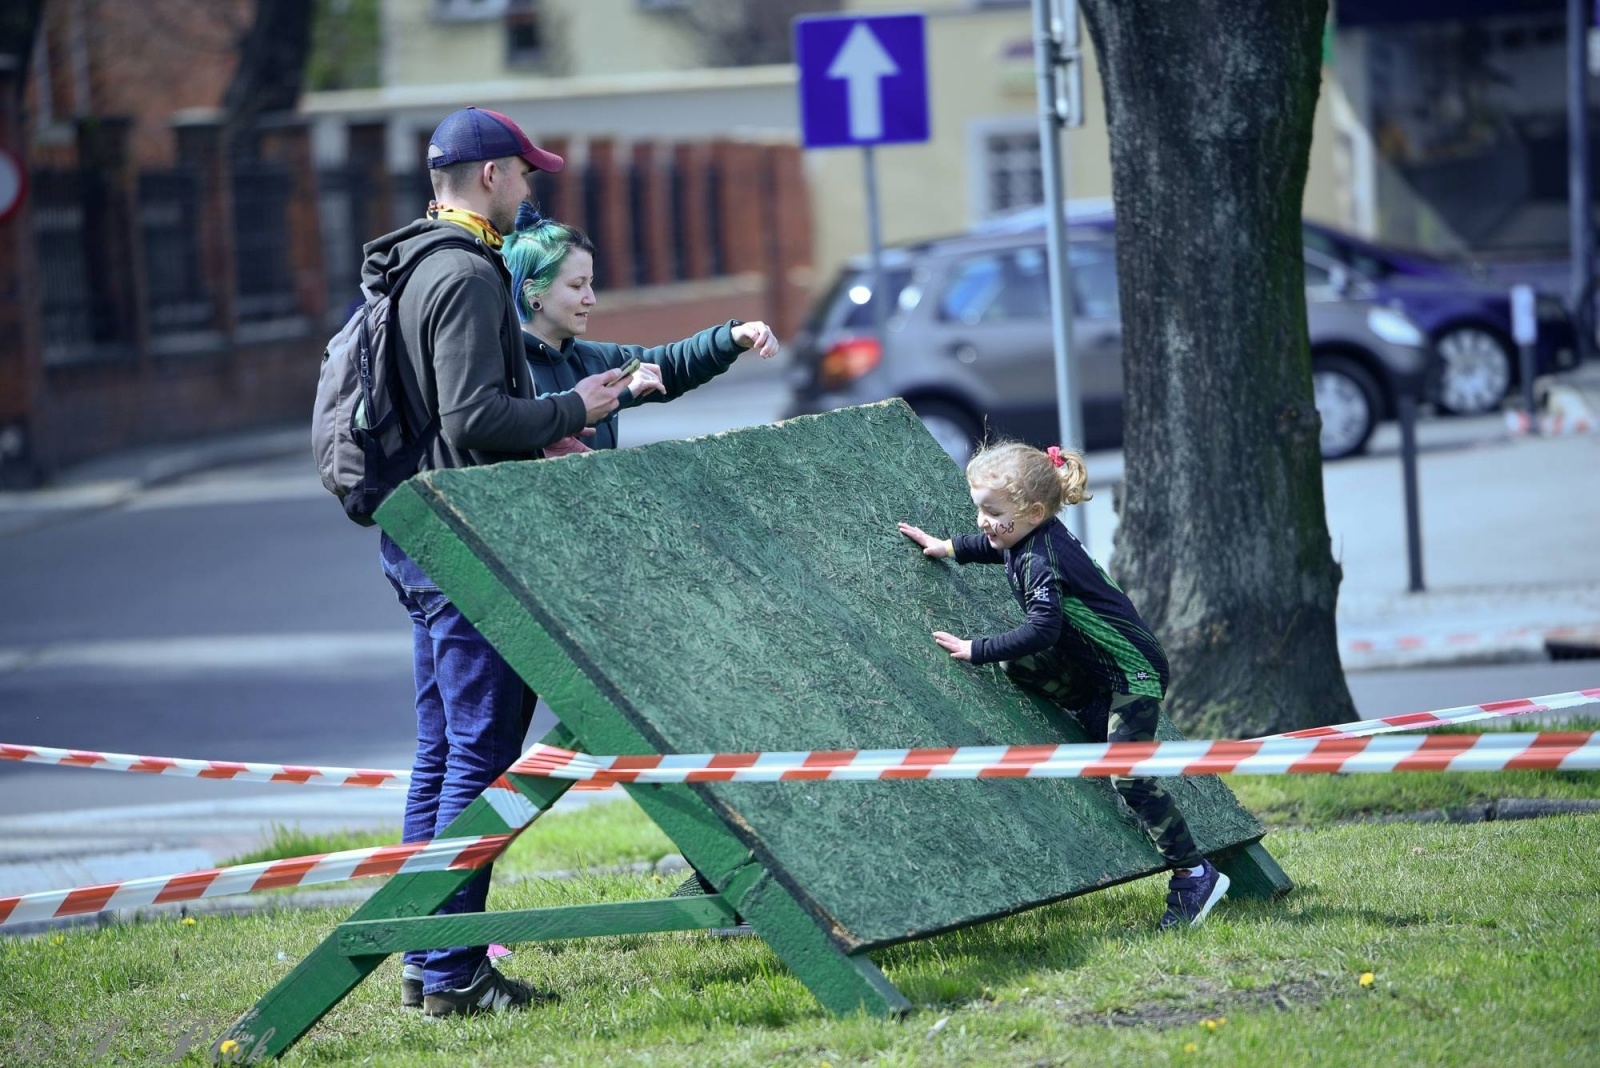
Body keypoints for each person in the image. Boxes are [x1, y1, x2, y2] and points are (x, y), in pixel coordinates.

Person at [361, 106, 629, 1018]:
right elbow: (475, 420)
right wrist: (574, 412)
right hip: (467, 544)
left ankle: (418, 957)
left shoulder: (408, 262)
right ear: (487, 178)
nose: (529, 189)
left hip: (417, 531)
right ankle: (450, 973)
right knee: (478, 758)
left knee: (441, 754)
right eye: (523, 175)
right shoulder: (468, 275)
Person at [896, 441, 1229, 930]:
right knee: (1022, 666)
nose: (984, 521)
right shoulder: (1031, 535)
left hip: (1133, 674)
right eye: (978, 509)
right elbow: (994, 547)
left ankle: (1193, 873)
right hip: (1096, 667)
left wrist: (978, 648)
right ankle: (1099, 719)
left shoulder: (1041, 560)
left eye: (992, 511)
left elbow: (1043, 629)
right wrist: (946, 546)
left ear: (1032, 511)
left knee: (1128, 776)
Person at [499, 201, 780, 456]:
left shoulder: (597, 361)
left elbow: (669, 366)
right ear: (532, 293)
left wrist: (731, 338)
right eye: (576, 285)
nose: (591, 298)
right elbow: (512, 422)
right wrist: (616, 396)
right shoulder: (499, 368)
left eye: (591, 283)